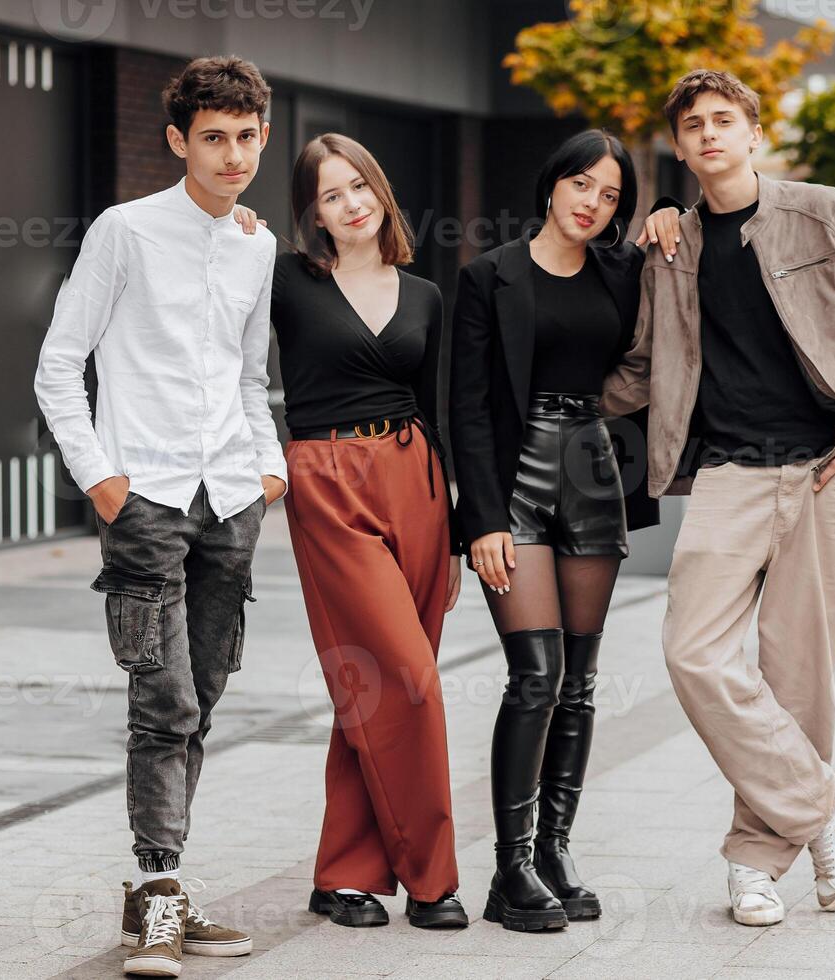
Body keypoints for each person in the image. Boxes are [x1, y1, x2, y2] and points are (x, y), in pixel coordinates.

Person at [602, 69, 835, 928]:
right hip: (730, 474)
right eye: (692, 124)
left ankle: (754, 864)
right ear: (679, 145)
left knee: (796, 672)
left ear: (752, 131)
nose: (708, 134)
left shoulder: (823, 212)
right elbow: (638, 365)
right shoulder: (671, 244)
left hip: (822, 471)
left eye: (723, 120)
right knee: (693, 651)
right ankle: (827, 802)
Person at [34, 55, 283, 977]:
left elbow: (251, 374)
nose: (232, 155)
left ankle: (166, 890)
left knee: (202, 700)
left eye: (246, 137)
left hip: (231, 501)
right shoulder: (125, 232)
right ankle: (155, 896)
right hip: (146, 501)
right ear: (177, 139)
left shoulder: (258, 244)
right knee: (163, 700)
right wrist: (103, 481)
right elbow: (60, 364)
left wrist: (268, 469)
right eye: (212, 138)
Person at [449, 129, 683, 932]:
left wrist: (670, 214)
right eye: (582, 184)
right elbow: (467, 408)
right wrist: (477, 519)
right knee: (536, 677)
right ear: (552, 184)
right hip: (516, 481)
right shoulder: (490, 277)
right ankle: (509, 869)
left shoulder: (624, 271)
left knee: (580, 681)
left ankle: (555, 848)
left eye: (611, 194)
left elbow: (671, 315)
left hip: (594, 470)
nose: (593, 202)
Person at [272, 133, 469, 931]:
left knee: (373, 685)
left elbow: (440, 408)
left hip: (416, 481)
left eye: (359, 186)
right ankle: (431, 880)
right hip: (328, 481)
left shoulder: (424, 294)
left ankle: (343, 874)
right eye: (330, 194)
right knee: (408, 680)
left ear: (380, 191)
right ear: (311, 214)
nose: (351, 203)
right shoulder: (285, 279)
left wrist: (455, 532)